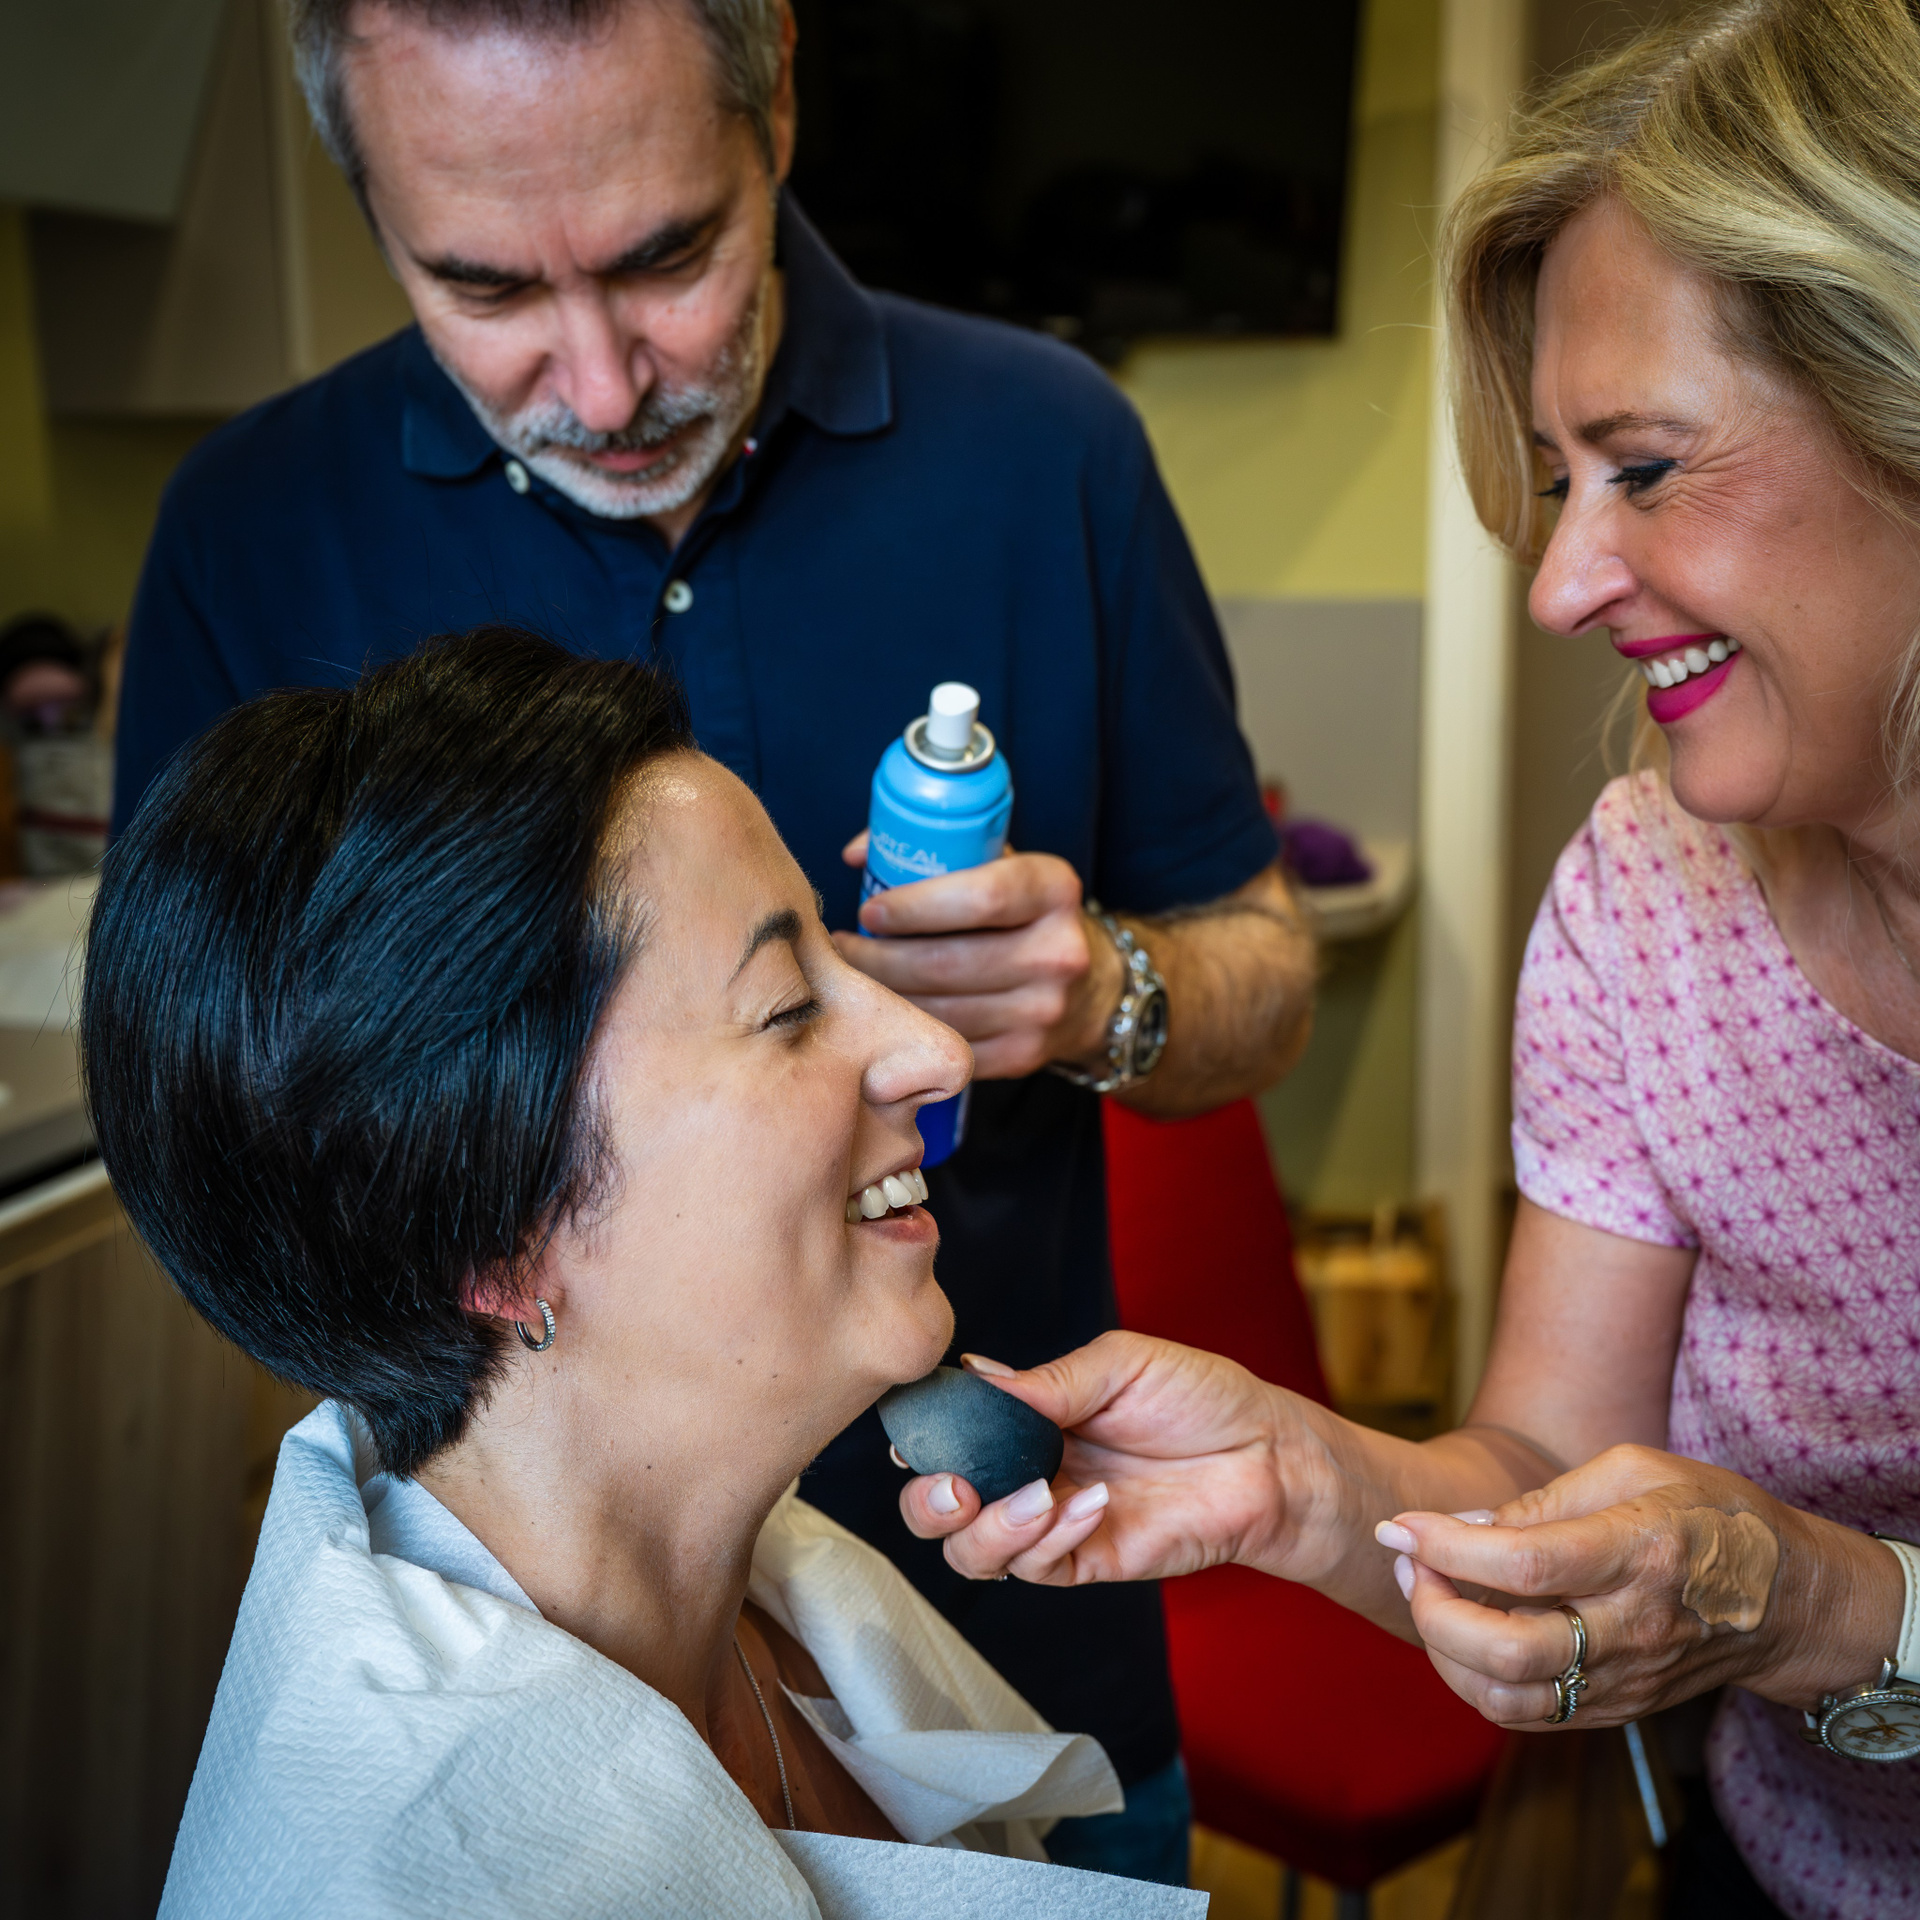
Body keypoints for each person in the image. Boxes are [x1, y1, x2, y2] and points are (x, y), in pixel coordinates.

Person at [109, 0, 1314, 1877]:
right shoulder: (248, 532)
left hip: (1009, 1570)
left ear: (776, 111)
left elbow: (1265, 964)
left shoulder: (1046, 450)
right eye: (487, 286)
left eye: (667, 257)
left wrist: (1110, 996)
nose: (601, 386)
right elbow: (239, 1151)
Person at [898, 3, 1920, 1914]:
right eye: (1557, 478)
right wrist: (1304, 1482)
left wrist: (1826, 1606)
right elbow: (1547, 1466)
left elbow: (1788, 1600)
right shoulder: (1647, 897)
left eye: (1646, 467)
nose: (1559, 584)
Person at [90, 626, 1178, 1916]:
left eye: (838, 960)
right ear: (491, 1243)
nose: (937, 1051)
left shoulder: (777, 1609)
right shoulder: (411, 1880)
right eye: (788, 1008)